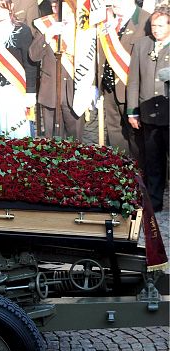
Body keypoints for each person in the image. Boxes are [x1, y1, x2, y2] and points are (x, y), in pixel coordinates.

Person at [127, 5, 170, 211]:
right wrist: (132, 111)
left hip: (168, 112)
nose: (156, 30)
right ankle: (154, 202)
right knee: (153, 160)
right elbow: (134, 80)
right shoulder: (142, 44)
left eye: (161, 26)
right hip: (148, 113)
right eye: (153, 25)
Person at [0, 0, 37, 138]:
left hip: (13, 89)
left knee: (14, 133)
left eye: (2, 8)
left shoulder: (23, 30)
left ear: (11, 7)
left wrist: (30, 92)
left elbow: (30, 65)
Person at [98, 0, 151, 156]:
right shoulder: (106, 20)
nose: (114, 2)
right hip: (109, 89)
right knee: (115, 135)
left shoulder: (146, 20)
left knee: (136, 139)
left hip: (132, 91)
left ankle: (138, 170)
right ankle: (121, 168)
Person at [29, 0, 85, 141]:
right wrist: (47, 36)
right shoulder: (45, 25)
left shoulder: (83, 28)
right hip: (51, 92)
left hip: (75, 92)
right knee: (52, 143)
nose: (57, 11)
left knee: (76, 143)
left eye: (66, 10)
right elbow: (33, 55)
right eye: (54, 7)